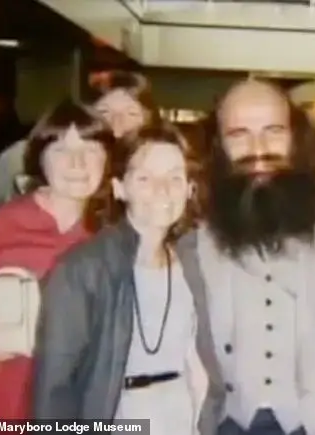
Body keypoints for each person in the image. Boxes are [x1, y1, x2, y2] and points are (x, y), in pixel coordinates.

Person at [198, 79, 315, 435]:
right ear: (219, 146)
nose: (258, 149)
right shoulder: (195, 234)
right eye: (239, 135)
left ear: (295, 137)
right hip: (225, 420)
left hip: (314, 421)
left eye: (273, 131)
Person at [33, 123, 222, 435]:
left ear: (190, 189)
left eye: (175, 177)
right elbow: (55, 386)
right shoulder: (85, 268)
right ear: (119, 188)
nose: (162, 190)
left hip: (181, 417)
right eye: (145, 178)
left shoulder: (193, 264)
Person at [0, 99, 115, 429]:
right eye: (61, 150)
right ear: (39, 158)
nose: (77, 163)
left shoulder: (107, 246)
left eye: (91, 149)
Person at [0, 70, 158, 208]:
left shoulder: (147, 172)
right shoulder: (20, 158)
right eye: (104, 111)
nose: (117, 124)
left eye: (132, 113)